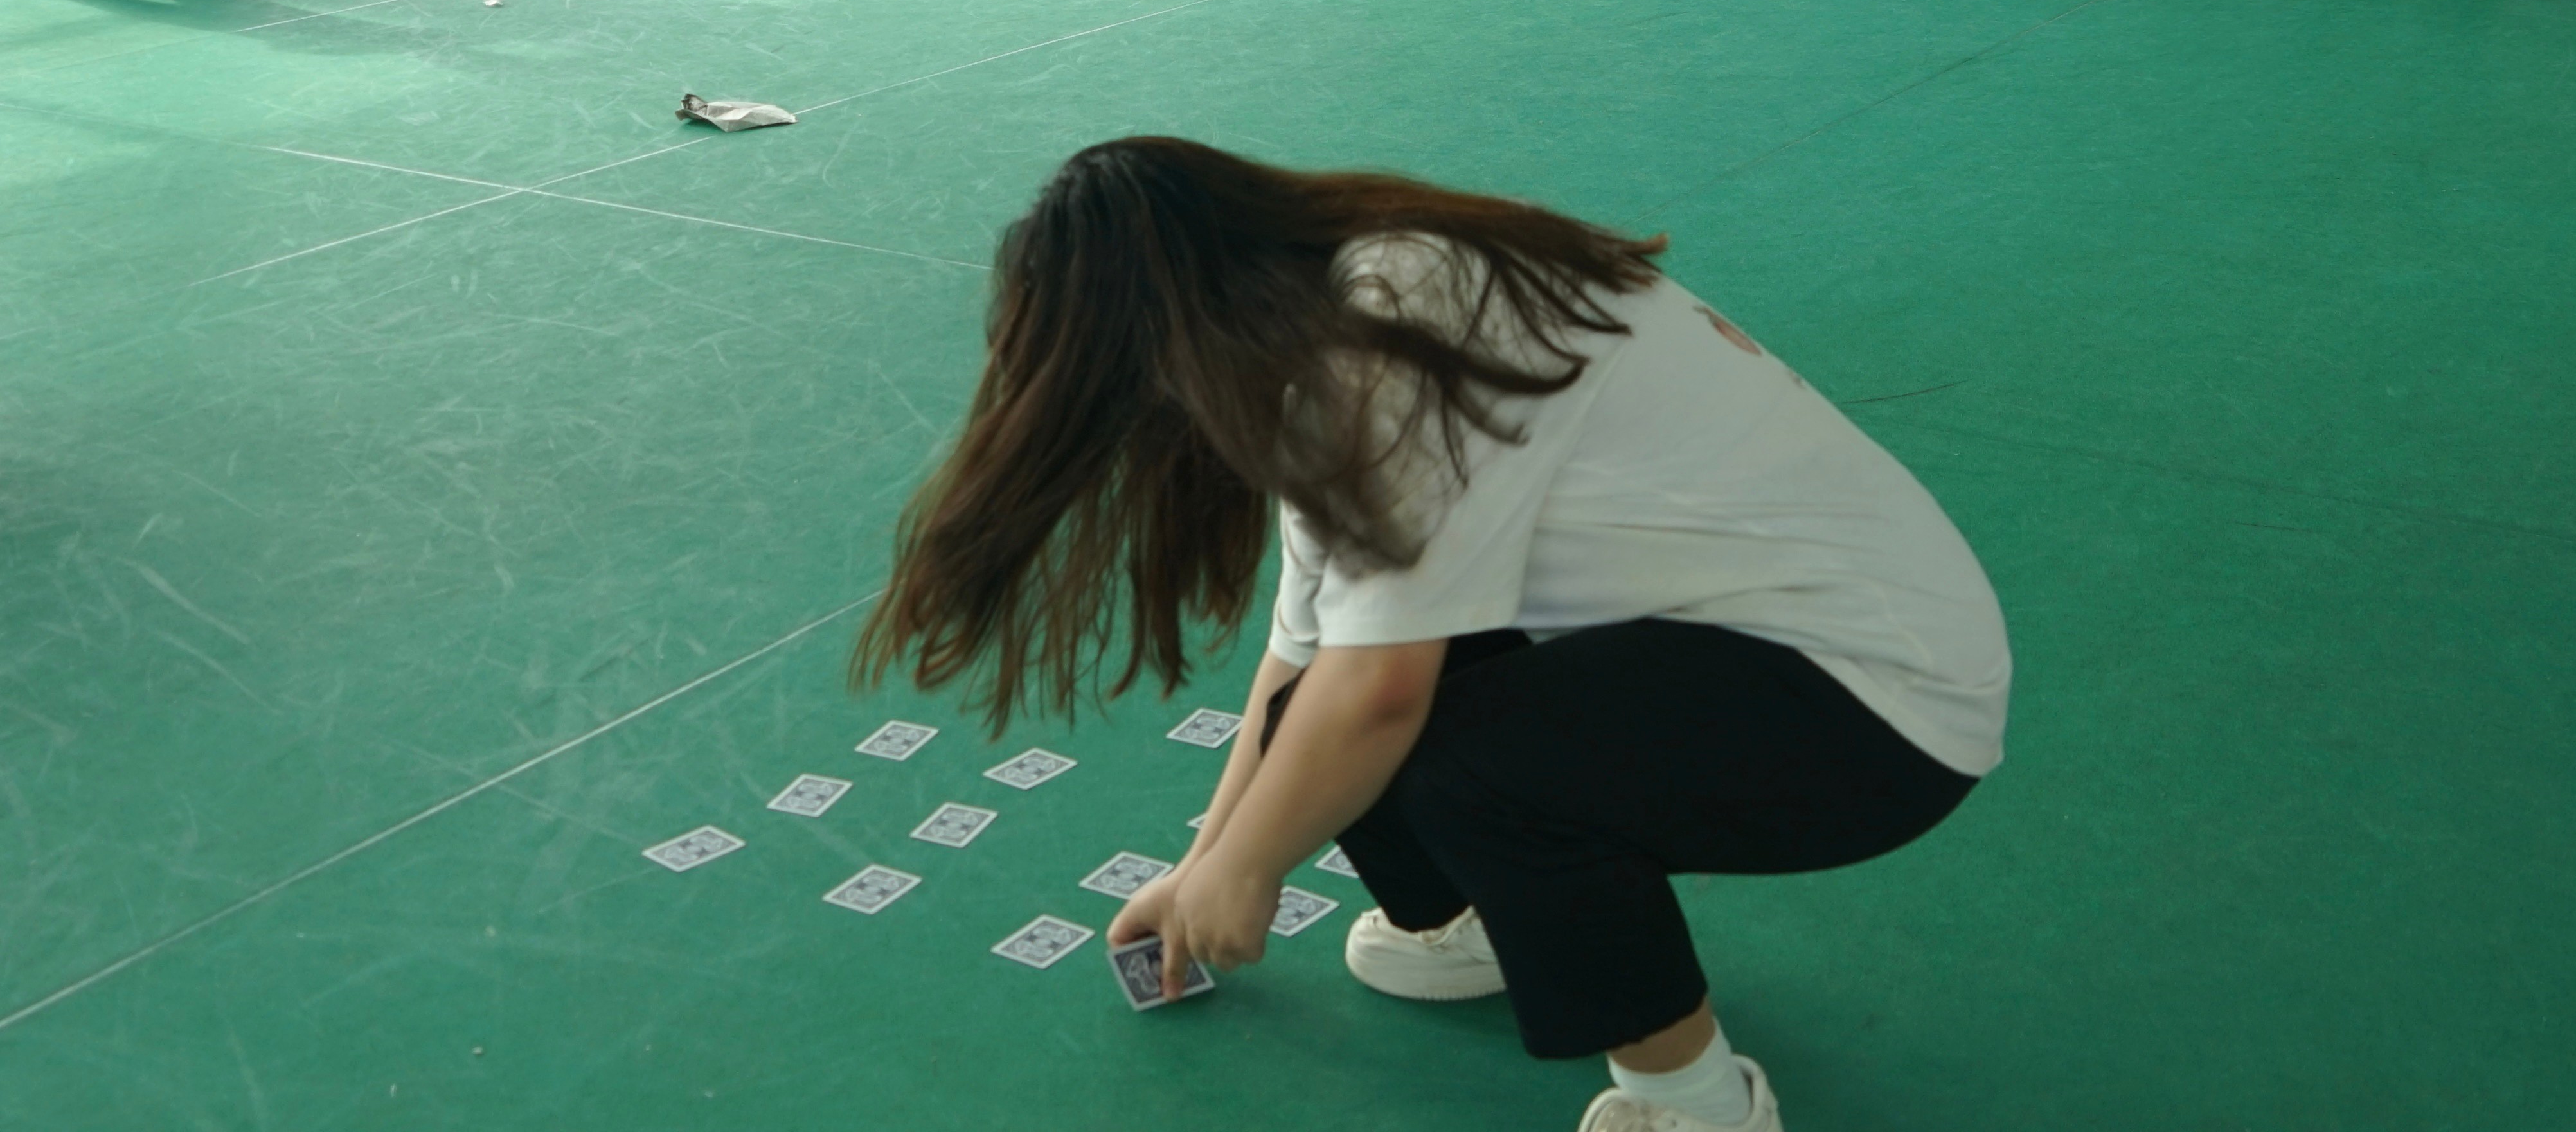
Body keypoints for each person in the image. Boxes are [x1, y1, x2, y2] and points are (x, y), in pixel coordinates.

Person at [857, 141, 2007, 1132]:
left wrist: (1252, 869)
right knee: (1339, 709)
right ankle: (1477, 924)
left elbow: (1381, 697)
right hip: (1749, 645)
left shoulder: (1393, 329)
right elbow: (1306, 662)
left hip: (1878, 710)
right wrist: (1202, 862)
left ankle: (1694, 1100)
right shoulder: (1338, 318)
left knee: (1459, 759)